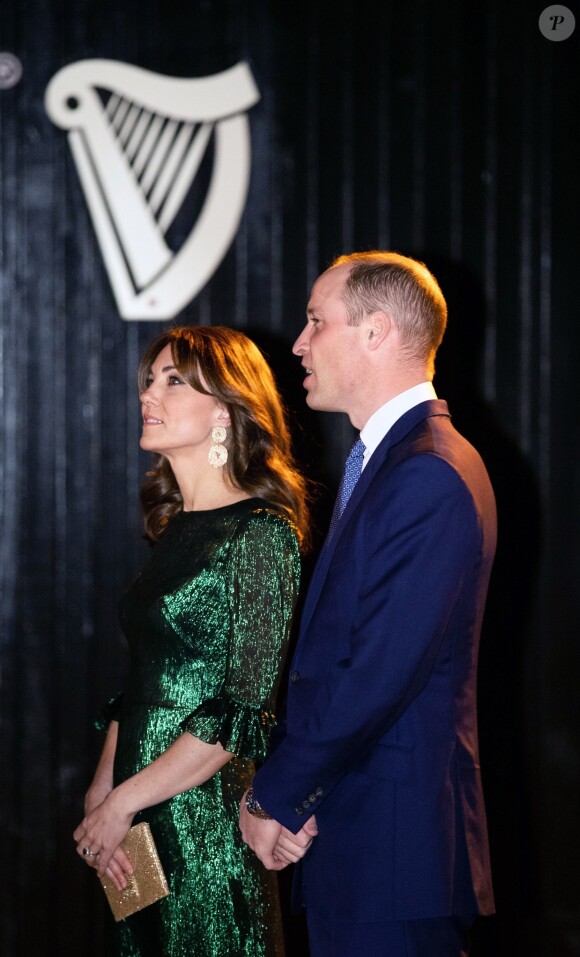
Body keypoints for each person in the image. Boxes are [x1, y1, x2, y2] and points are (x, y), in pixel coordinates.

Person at [239, 251, 497, 957]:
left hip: (391, 852)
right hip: (364, 843)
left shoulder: (430, 474)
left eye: (317, 321)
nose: (298, 342)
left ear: (376, 331)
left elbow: (375, 673)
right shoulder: (398, 462)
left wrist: (276, 795)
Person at [73, 325, 311, 957]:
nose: (150, 394)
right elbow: (145, 679)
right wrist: (104, 789)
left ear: (228, 410)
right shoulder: (175, 528)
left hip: (199, 816)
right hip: (138, 810)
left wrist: (121, 801)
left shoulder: (261, 533)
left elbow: (241, 711)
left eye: (174, 381)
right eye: (150, 380)